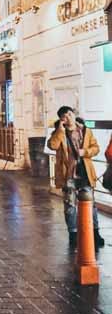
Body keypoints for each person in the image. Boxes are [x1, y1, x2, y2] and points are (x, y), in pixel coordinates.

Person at [47, 106, 104, 248]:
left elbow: (96, 148)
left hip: (85, 173)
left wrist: (85, 151)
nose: (69, 118)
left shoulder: (85, 131)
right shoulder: (59, 133)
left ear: (74, 115)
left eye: (70, 114)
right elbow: (52, 145)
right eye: (65, 117)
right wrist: (60, 130)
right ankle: (73, 235)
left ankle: (95, 234)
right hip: (69, 176)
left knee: (91, 205)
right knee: (70, 206)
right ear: (61, 119)